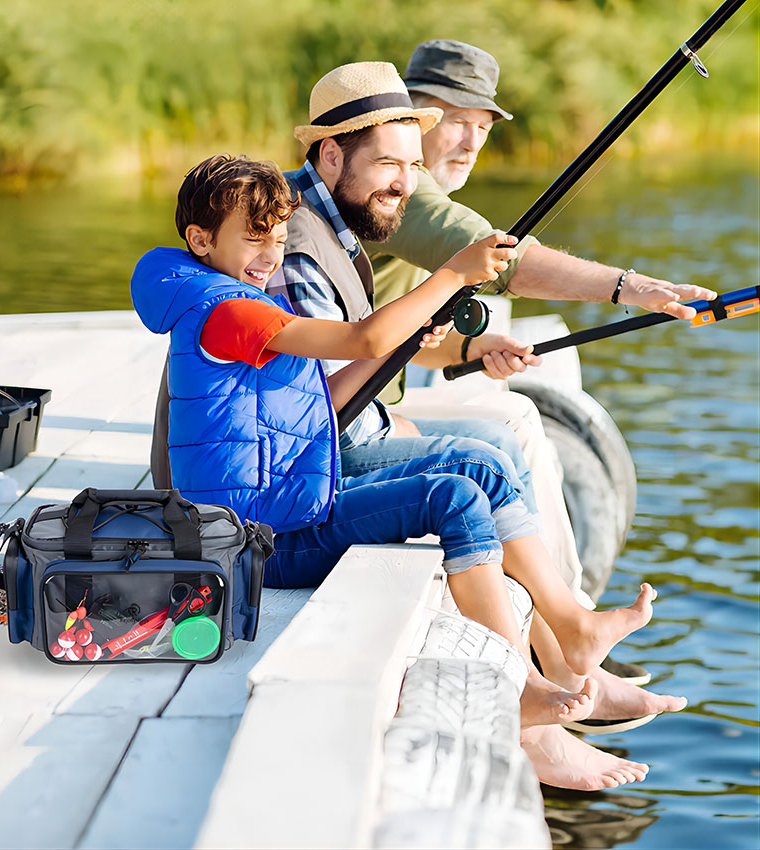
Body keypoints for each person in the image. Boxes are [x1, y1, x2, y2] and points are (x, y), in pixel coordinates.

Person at [131, 152, 663, 790]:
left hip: (285, 503)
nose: (271, 254)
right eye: (255, 238)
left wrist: (418, 334)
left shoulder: (232, 296)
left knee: (472, 479)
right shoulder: (230, 314)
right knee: (456, 500)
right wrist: (452, 274)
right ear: (200, 239)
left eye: (277, 237)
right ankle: (515, 681)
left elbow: (346, 369)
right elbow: (363, 341)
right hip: (259, 542)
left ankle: (569, 630)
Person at [270, 58, 688, 746]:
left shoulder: (343, 211)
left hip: (345, 417)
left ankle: (562, 649)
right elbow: (490, 267)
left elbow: (363, 355)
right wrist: (632, 287)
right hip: (310, 455)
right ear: (333, 152)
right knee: (487, 458)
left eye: (480, 128)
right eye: (456, 123)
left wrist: (458, 344)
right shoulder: (313, 237)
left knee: (494, 444)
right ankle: (550, 680)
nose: (410, 179)